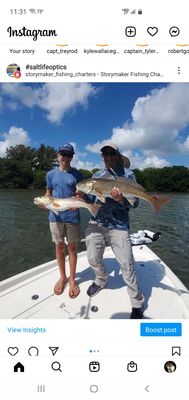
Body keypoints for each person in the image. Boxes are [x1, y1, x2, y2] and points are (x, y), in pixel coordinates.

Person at [85, 141, 144, 318]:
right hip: (97, 222)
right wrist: (80, 196)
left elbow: (135, 204)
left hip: (119, 224)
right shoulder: (96, 175)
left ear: (118, 155)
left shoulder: (128, 175)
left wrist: (121, 200)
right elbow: (91, 197)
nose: (108, 157)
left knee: (126, 264)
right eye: (105, 154)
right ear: (102, 156)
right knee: (93, 257)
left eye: (112, 153)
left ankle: (136, 302)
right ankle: (101, 280)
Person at [45, 143, 83, 298]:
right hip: (55, 217)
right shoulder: (50, 174)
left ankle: (73, 280)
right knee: (59, 247)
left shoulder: (78, 175)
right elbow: (48, 192)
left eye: (69, 155)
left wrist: (78, 200)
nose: (65, 158)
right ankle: (63, 277)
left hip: (72, 217)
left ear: (72, 157)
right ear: (58, 156)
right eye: (63, 154)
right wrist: (45, 200)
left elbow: (80, 195)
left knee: (72, 248)